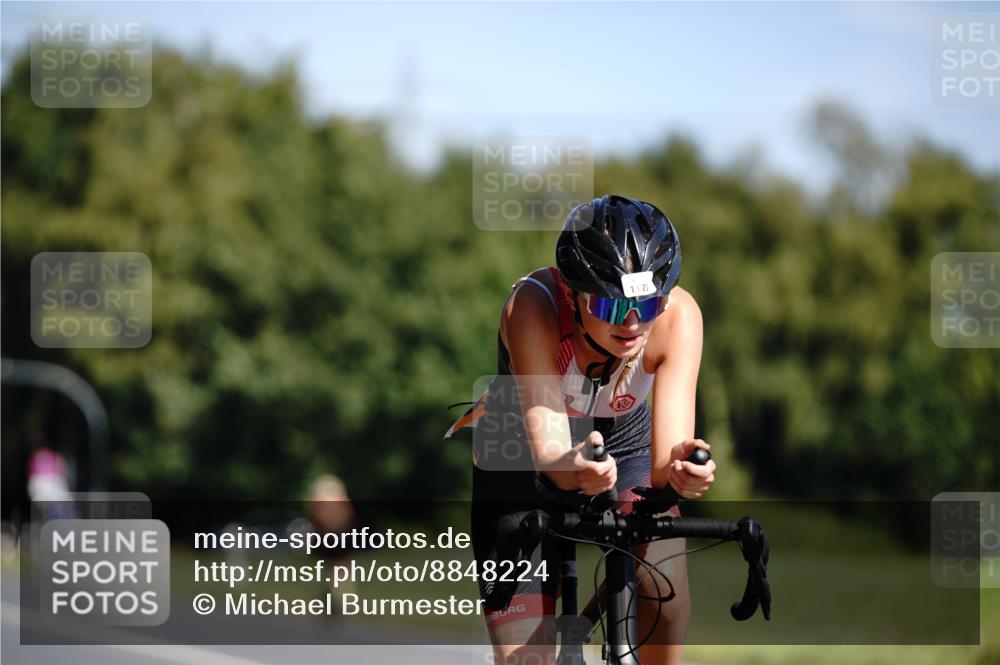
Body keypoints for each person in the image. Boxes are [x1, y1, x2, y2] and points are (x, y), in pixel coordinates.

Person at [447, 194, 716, 665]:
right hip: (518, 451)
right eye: (613, 309)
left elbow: (663, 466)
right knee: (525, 656)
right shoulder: (534, 306)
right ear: (573, 294)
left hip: (623, 439)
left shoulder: (680, 319)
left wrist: (681, 473)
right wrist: (573, 469)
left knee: (666, 594)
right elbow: (551, 456)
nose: (633, 324)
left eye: (648, 304)